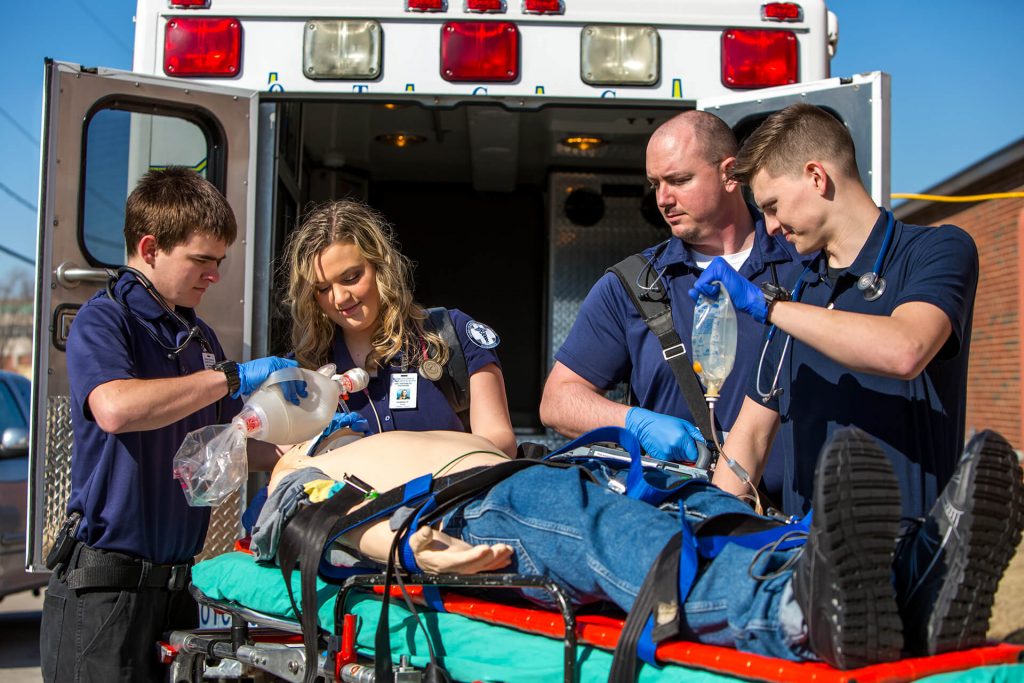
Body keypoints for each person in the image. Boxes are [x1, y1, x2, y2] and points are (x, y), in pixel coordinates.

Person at [261, 425, 1024, 668]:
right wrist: (405, 544)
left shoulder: (368, 426)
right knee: (599, 528)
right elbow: (299, 525)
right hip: (481, 510)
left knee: (698, 507)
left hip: (549, 464)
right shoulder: (303, 461)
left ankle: (905, 581)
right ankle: (787, 608)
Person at [690, 104, 1004, 653]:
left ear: (816, 176)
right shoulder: (796, 292)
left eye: (771, 206)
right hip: (811, 571)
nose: (769, 228)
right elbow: (751, 437)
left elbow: (905, 348)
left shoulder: (935, 250)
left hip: (912, 569)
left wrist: (766, 307)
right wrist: (703, 534)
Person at [40, 168, 301, 683]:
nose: (214, 275)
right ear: (150, 247)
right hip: (108, 592)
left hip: (176, 589)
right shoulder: (106, 319)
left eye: (219, 262)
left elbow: (230, 444)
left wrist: (311, 454)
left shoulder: (198, 336)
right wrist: (229, 378)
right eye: (201, 260)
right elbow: (115, 408)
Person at [540, 110, 802, 498]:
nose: (663, 199)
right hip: (678, 520)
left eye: (679, 180)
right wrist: (636, 422)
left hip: (798, 523)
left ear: (730, 174)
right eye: (655, 184)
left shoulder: (804, 265)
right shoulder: (633, 284)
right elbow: (558, 401)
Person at [282, 200, 516, 456]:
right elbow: (276, 452)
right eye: (323, 289)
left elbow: (500, 443)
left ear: (381, 267)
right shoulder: (306, 368)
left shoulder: (451, 333)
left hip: (446, 493)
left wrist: (412, 460)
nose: (339, 298)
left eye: (351, 278)